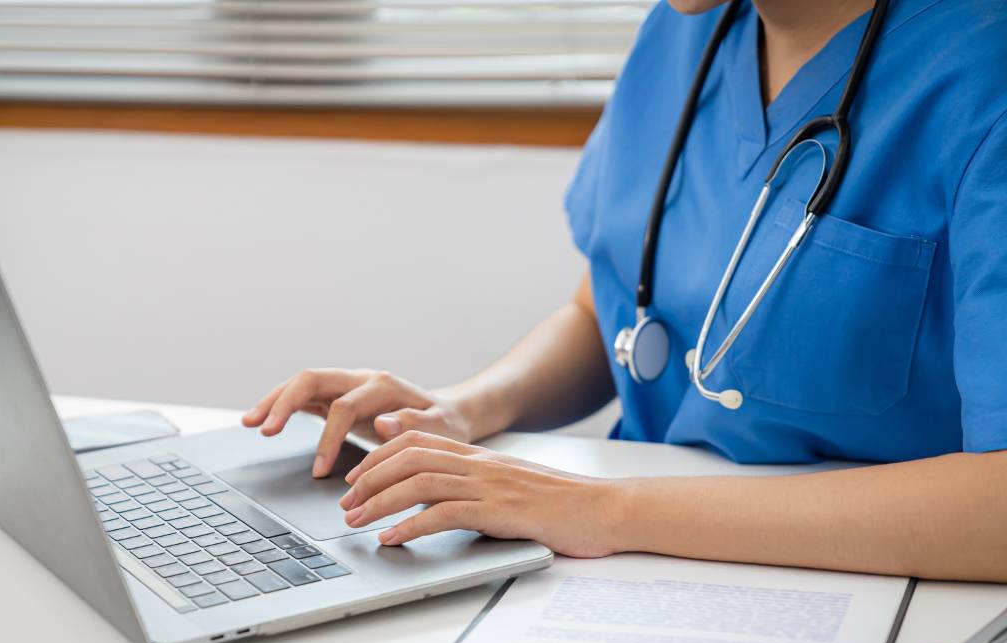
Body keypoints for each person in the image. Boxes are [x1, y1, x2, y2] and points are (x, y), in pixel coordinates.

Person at [244, 0, 1007, 581]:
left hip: (866, 592)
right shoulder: (687, 30)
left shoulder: (981, 75)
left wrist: (597, 509)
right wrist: (461, 409)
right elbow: (608, 312)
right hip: (631, 566)